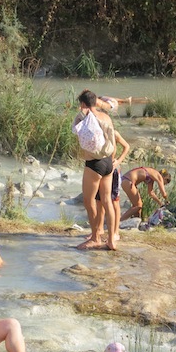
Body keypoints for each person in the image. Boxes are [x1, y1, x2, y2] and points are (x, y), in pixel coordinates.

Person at [72, 89, 117, 250]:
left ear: (83, 104)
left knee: (88, 200)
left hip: (94, 164)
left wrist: (82, 111)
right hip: (108, 162)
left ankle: (96, 237)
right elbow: (112, 140)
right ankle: (111, 240)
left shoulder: (84, 118)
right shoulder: (106, 117)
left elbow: (76, 130)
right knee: (107, 201)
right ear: (96, 102)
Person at [94, 130, 130, 242]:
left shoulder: (114, 133)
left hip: (113, 169)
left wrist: (118, 161)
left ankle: (116, 232)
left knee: (114, 201)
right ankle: (99, 229)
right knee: (99, 200)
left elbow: (126, 147)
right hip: (99, 168)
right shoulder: (96, 132)